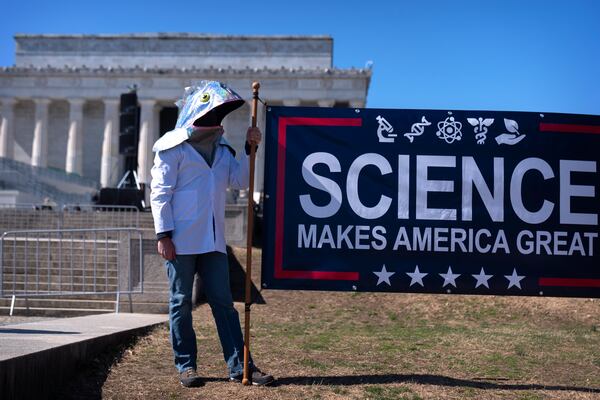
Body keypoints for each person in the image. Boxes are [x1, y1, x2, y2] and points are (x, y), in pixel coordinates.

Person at [150, 81, 274, 387]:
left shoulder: (221, 151)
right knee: (180, 302)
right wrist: (163, 235)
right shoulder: (171, 148)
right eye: (213, 113)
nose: (217, 120)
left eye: (220, 114)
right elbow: (160, 193)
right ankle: (186, 366)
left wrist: (249, 149)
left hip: (213, 241)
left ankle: (239, 365)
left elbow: (241, 180)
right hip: (180, 240)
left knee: (224, 304)